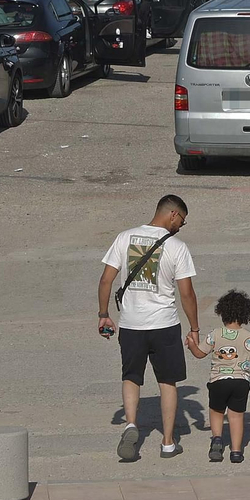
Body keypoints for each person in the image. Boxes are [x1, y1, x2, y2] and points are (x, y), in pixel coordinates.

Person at [98, 195, 199, 462]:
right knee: (167, 382)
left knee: (131, 376)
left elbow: (106, 279)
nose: (180, 227)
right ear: (173, 214)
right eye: (182, 222)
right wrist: (195, 327)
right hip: (164, 323)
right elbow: (187, 293)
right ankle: (167, 442)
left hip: (131, 324)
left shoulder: (124, 237)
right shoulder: (177, 247)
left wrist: (104, 314)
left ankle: (131, 424)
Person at [189, 290, 250, 463]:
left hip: (218, 382)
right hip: (241, 383)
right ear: (246, 314)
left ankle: (217, 439)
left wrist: (191, 344)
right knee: (237, 415)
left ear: (222, 313)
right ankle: (236, 451)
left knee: (216, 411)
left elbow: (199, 353)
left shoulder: (215, 334)